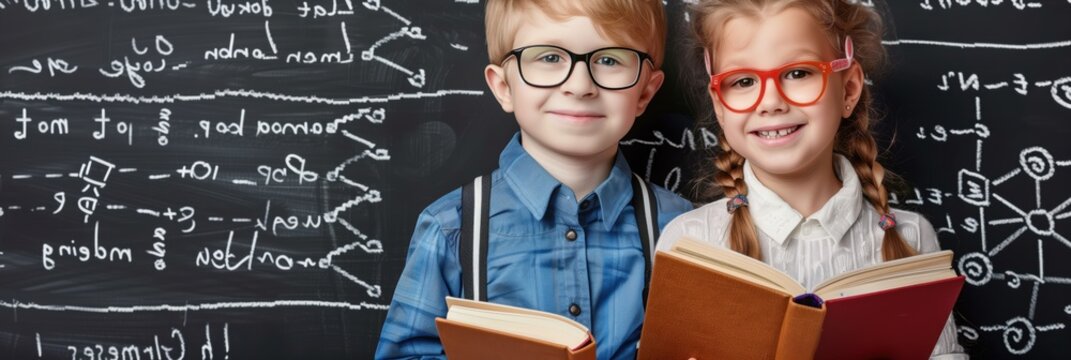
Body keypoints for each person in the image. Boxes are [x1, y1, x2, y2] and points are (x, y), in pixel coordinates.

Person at [376, 0, 692, 358]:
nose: (580, 85)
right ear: (503, 87)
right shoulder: (451, 229)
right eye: (549, 58)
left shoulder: (681, 230)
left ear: (646, 92)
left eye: (609, 60)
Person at [656, 0, 967, 358]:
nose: (770, 102)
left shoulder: (910, 238)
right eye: (743, 81)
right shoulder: (689, 242)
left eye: (798, 73)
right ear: (720, 107)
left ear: (849, 89)